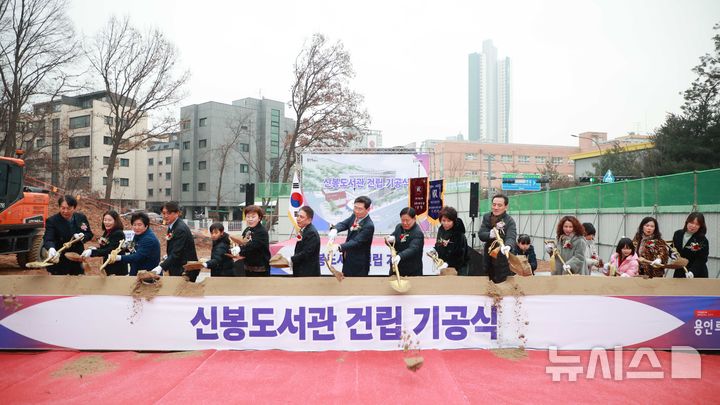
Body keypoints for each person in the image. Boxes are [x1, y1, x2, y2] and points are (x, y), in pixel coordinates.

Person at [43, 195, 93, 275]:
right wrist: (51, 248)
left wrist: (82, 236)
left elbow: (89, 234)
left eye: (69, 208)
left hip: (76, 258)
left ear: (74, 208)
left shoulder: (81, 218)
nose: (65, 211)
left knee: (76, 284)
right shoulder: (52, 221)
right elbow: (48, 239)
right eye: (63, 208)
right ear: (59, 207)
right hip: (60, 259)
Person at [327, 196, 375, 277]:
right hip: (348, 258)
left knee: (356, 287)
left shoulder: (369, 225)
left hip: (359, 263)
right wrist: (335, 229)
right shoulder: (354, 216)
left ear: (368, 209)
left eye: (360, 209)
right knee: (345, 283)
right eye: (355, 207)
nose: (356, 211)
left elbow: (356, 241)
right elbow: (344, 224)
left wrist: (339, 246)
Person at [154, 201, 199, 281]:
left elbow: (176, 253)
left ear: (177, 213)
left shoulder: (180, 229)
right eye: (164, 213)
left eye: (169, 213)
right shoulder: (172, 226)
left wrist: (161, 267)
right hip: (177, 267)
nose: (166, 216)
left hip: (185, 270)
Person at [479, 194, 516, 283]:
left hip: (503, 257)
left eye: (499, 205)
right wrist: (490, 234)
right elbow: (481, 234)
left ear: (505, 207)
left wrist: (508, 246)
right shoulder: (487, 217)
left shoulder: (509, 221)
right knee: (488, 281)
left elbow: (511, 236)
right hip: (489, 256)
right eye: (494, 204)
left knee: (503, 282)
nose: (496, 207)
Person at [81, 210, 128, 276]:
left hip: (117, 269)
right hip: (108, 267)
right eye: (105, 220)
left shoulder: (118, 233)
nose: (106, 222)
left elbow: (110, 250)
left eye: (109, 220)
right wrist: (95, 248)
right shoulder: (107, 232)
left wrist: (93, 252)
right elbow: (104, 246)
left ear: (115, 221)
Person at [231, 205, 271, 277]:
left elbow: (254, 245)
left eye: (253, 217)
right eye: (248, 217)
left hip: (260, 268)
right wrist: (237, 250)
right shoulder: (247, 230)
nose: (250, 219)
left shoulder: (262, 231)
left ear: (259, 218)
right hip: (248, 266)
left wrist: (240, 249)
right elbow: (242, 241)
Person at [388, 207, 424, 277]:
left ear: (414, 219)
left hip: (411, 270)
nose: (405, 223)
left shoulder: (417, 233)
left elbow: (413, 249)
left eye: (407, 220)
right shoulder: (399, 227)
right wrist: (390, 240)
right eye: (402, 220)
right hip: (397, 267)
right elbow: (394, 238)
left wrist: (400, 256)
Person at [672, 212, 709, 278]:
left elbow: (702, 259)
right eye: (691, 223)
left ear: (700, 226)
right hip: (680, 271)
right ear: (687, 222)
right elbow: (672, 247)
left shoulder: (702, 240)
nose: (693, 226)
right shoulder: (678, 234)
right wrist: (672, 254)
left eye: (697, 224)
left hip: (696, 273)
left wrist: (692, 272)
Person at [435, 206, 469, 275]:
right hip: (444, 266)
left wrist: (447, 263)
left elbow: (460, 256)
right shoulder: (441, 230)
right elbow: (439, 244)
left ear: (454, 221)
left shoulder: (459, 234)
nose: (446, 223)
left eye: (449, 221)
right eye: (443, 221)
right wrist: (434, 250)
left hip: (459, 268)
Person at [289, 206, 321, 277]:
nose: (298, 219)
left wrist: (292, 259)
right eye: (298, 216)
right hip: (302, 271)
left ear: (309, 220)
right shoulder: (304, 230)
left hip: (308, 273)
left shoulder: (311, 232)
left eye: (301, 217)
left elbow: (307, 253)